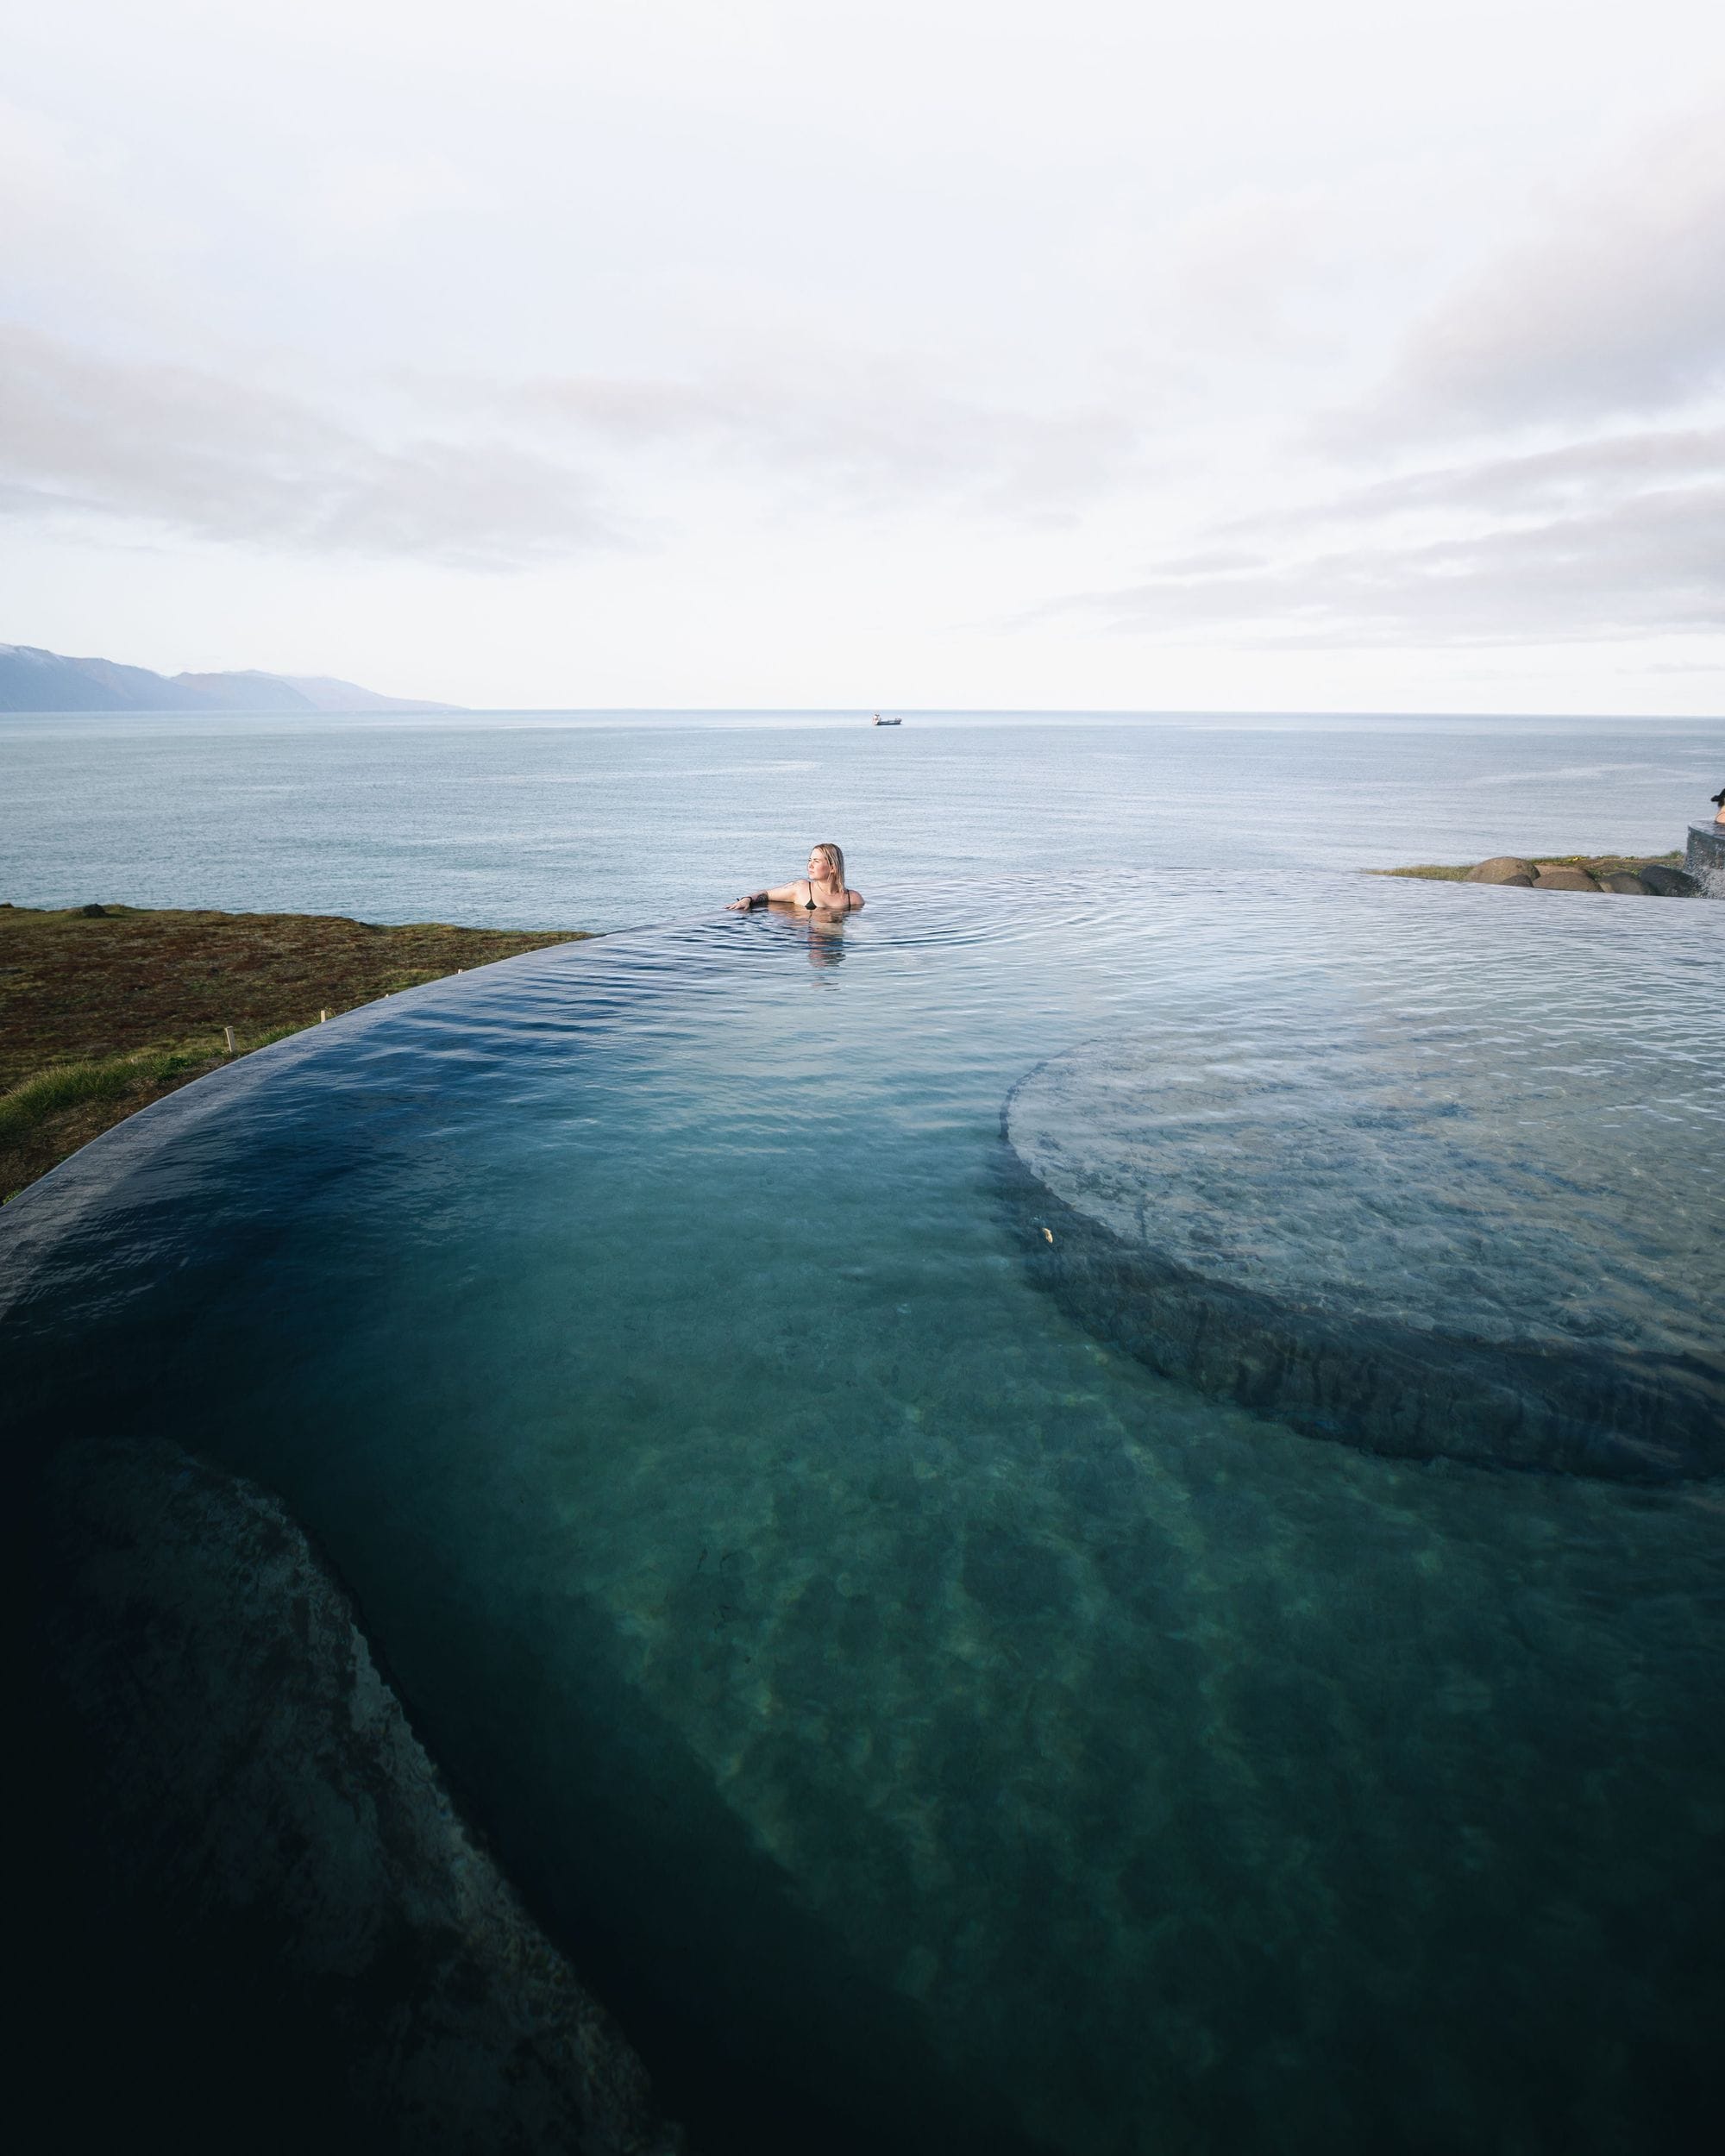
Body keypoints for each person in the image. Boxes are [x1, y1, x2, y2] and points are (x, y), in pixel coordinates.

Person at [728, 843, 864, 912]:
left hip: (835, 941)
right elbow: (767, 894)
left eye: (816, 861)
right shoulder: (801, 888)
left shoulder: (853, 898)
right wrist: (747, 899)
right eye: (809, 860)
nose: (810, 865)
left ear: (833, 867)